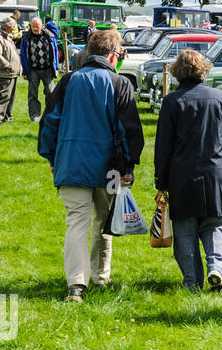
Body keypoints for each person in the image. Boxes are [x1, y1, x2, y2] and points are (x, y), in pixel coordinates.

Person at [38, 30, 144, 302]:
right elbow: (129, 130)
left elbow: (49, 122)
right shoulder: (120, 83)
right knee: (103, 223)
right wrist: (128, 167)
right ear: (112, 54)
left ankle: (77, 284)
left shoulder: (68, 81)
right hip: (109, 167)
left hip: (71, 164)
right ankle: (100, 277)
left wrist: (51, 158)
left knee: (77, 224)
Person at [154, 49, 222, 292]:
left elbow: (163, 145)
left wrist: (161, 180)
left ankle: (192, 281)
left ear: (177, 73)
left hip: (182, 176)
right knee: (215, 226)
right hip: (216, 174)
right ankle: (216, 268)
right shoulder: (219, 97)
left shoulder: (171, 102)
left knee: (185, 231)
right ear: (203, 70)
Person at [20, 17, 60, 122]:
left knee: (51, 93)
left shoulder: (50, 37)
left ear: (42, 26)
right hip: (33, 70)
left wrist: (56, 68)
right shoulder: (25, 38)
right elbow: (23, 56)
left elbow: (55, 52)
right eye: (32, 26)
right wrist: (24, 71)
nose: (34, 28)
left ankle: (50, 115)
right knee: (33, 94)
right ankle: (35, 116)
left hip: (48, 69)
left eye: (36, 26)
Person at [0, 16, 22, 123]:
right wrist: (8, 65)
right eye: (13, 26)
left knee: (10, 97)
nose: (14, 29)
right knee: (2, 96)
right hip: (4, 72)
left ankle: (7, 117)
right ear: (7, 27)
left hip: (12, 73)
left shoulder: (7, 36)